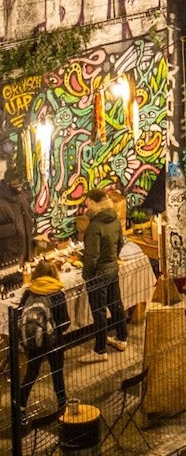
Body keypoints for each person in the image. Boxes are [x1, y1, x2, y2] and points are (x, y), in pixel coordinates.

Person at [17, 259, 70, 416]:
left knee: (31, 373)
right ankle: (62, 403)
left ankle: (20, 406)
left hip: (33, 341)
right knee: (57, 372)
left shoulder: (29, 292)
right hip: (55, 341)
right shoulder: (57, 293)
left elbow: (21, 314)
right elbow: (65, 322)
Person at [81, 188, 127, 362]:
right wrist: (112, 259)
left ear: (93, 203)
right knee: (116, 304)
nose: (85, 205)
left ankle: (100, 350)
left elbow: (92, 256)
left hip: (98, 274)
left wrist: (87, 275)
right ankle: (122, 338)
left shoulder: (94, 226)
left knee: (98, 312)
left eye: (87, 202)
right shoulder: (114, 219)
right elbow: (120, 243)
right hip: (112, 269)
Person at [0, 173, 34, 270]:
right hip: (7, 259)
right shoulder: (2, 203)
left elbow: (29, 219)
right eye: (16, 183)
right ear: (7, 183)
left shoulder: (22, 197)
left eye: (21, 183)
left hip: (26, 253)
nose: (19, 186)